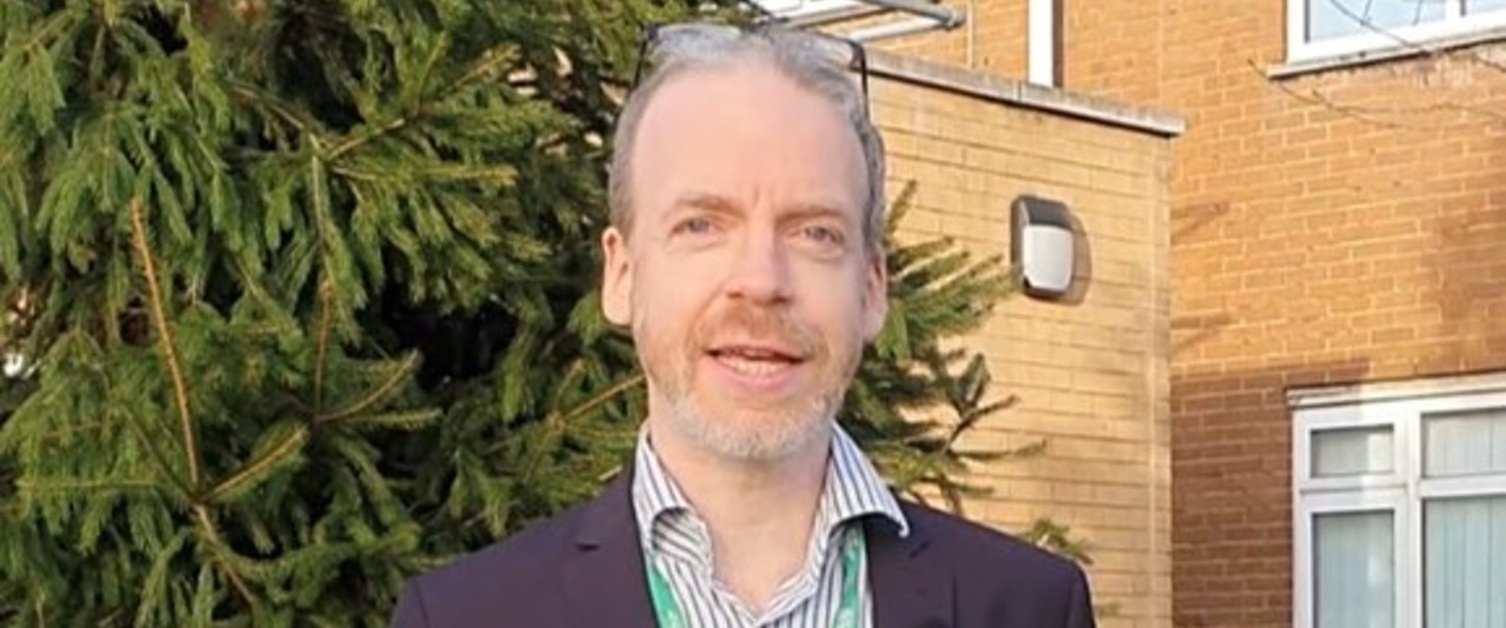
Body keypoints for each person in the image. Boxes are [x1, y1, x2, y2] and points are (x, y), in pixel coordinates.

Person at [391, 20, 1096, 628]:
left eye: (814, 233)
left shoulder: (1027, 608)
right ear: (622, 273)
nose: (761, 280)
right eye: (702, 224)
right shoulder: (463, 617)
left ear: (872, 287)